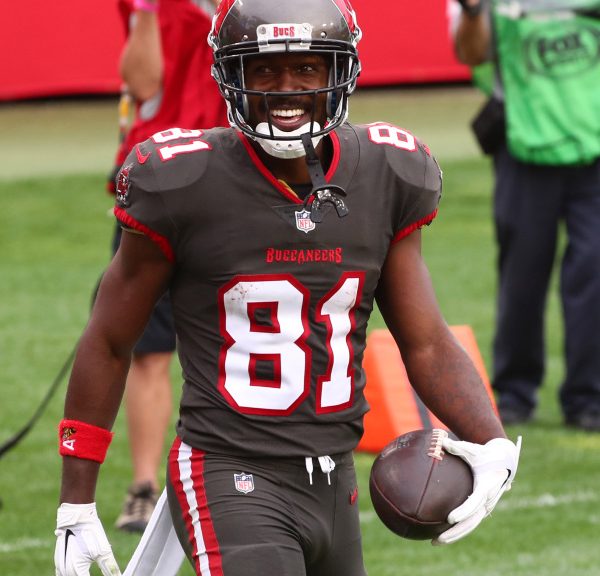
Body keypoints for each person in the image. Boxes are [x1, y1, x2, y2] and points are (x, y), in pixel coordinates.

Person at [54, 1, 522, 574]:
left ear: (339, 71)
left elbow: (425, 340)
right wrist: (76, 500)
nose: (286, 88)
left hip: (334, 477)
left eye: (306, 67)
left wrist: (493, 442)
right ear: (231, 74)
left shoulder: (386, 173)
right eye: (264, 69)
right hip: (227, 468)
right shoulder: (182, 180)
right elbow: (108, 340)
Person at [108, 0, 228, 533]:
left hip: (232, 178)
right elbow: (141, 81)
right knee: (148, 348)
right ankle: (143, 487)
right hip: (158, 183)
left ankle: (239, 477)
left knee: (236, 342)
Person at [453, 0, 600, 429]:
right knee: (522, 280)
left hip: (594, 151)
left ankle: (588, 398)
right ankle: (515, 393)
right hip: (525, 149)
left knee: (594, 277)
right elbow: (471, 54)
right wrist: (473, 12)